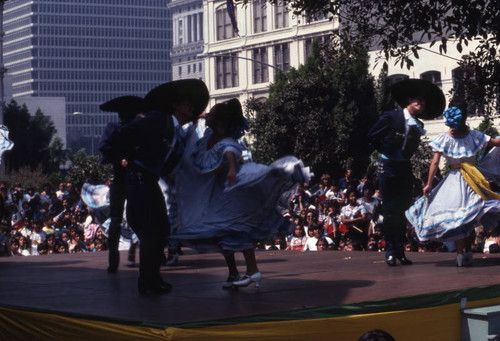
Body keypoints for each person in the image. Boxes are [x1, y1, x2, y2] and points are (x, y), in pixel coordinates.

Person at [168, 98, 310, 289]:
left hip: (232, 192)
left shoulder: (226, 142)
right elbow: (203, 127)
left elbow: (230, 153)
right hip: (216, 193)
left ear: (218, 122)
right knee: (222, 233)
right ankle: (234, 272)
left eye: (211, 114)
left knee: (235, 229)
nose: (206, 116)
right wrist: (196, 116)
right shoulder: (208, 136)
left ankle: (252, 270)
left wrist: (232, 169)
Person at [119, 79, 209, 294]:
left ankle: (152, 277)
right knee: (153, 231)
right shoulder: (161, 120)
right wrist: (127, 156)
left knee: (160, 230)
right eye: (187, 104)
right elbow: (128, 131)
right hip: (140, 178)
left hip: (149, 180)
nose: (191, 108)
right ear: (176, 105)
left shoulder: (177, 130)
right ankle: (148, 281)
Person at [406, 97, 500, 266]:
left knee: (459, 218)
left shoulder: (446, 138)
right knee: (469, 218)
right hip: (473, 179)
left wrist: (428, 184)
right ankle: (467, 251)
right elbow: (494, 142)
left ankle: (460, 253)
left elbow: (435, 162)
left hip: (456, 181)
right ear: (464, 116)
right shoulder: (474, 136)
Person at [368, 78, 445, 266]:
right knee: (390, 209)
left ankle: (400, 251)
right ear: (409, 100)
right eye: (418, 100)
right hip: (388, 166)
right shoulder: (391, 116)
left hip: (404, 166)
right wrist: (387, 149)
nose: (421, 104)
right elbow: (373, 135)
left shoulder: (418, 125)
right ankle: (390, 251)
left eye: (424, 102)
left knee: (402, 210)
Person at [99, 95, 145, 273]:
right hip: (120, 177)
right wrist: (120, 158)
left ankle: (149, 251)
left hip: (134, 176)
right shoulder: (113, 128)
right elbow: (104, 147)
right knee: (117, 219)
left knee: (136, 217)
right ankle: (113, 259)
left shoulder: (138, 128)